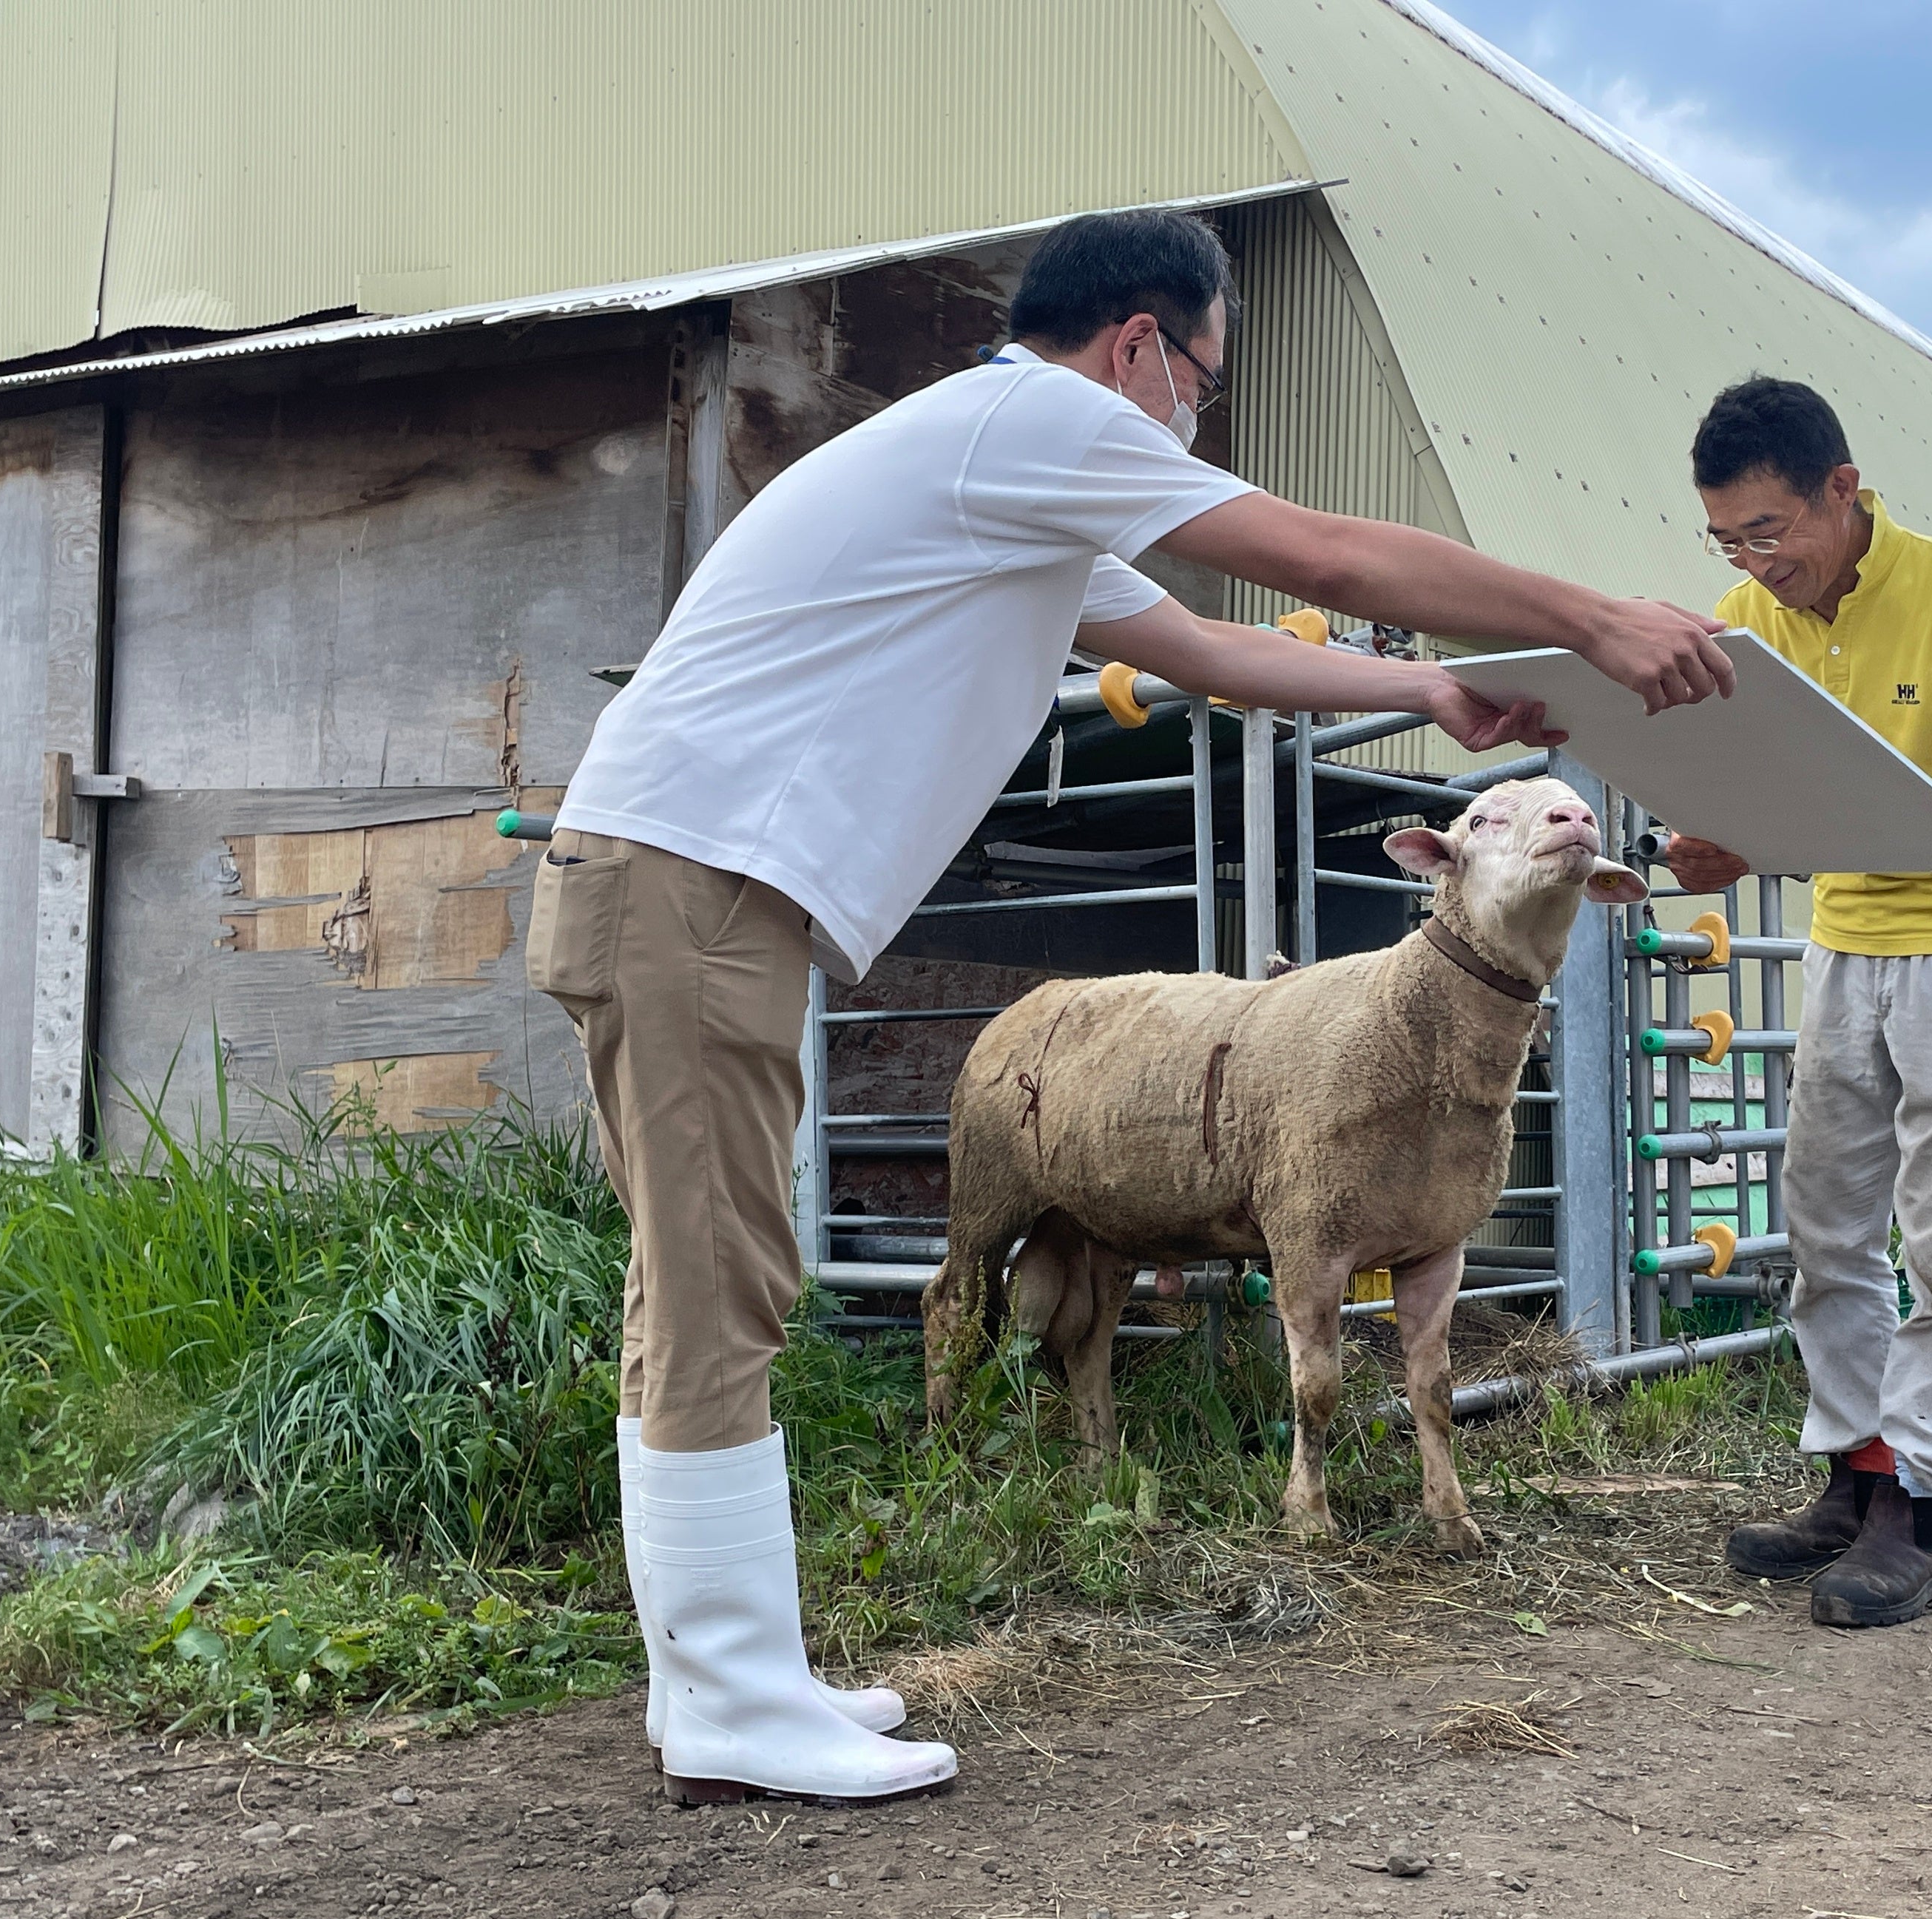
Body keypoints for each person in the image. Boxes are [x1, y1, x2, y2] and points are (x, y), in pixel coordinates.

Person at [530, 208, 1736, 1806]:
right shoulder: (1028, 421)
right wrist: (1590, 617)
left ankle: (724, 1683)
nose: (1197, 419)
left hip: (695, 882)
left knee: (700, 1272)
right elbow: (1310, 554)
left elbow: (1216, 646)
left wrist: (1429, 691)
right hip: (691, 882)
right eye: (1204, 380)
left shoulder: (1003, 478)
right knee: (721, 1275)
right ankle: (737, 1699)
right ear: (1138, 349)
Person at [1678, 378, 1932, 1629]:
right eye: (1726, 539)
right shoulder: (1749, 617)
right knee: (1828, 1225)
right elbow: (1764, 792)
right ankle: (1852, 1473)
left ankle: (1919, 1503)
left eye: (1767, 530)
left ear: (1842, 492)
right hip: (1844, 941)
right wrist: (1720, 849)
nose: (1751, 562)